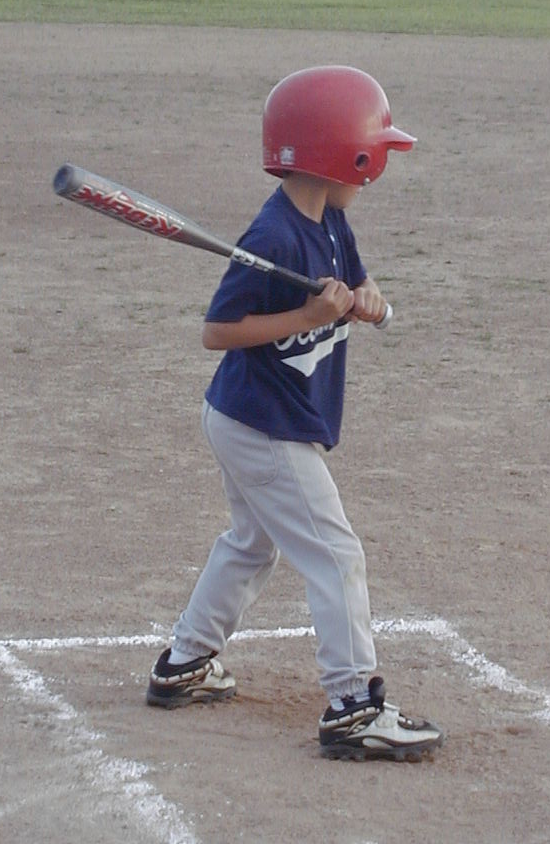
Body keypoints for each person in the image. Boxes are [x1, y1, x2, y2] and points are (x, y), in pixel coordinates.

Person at [146, 65, 444, 761]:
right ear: (343, 154)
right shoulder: (273, 237)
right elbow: (218, 332)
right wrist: (307, 316)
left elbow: (357, 277)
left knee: (252, 543)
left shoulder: (330, 220)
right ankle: (352, 705)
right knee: (336, 553)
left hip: (252, 417)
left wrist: (365, 297)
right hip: (261, 425)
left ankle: (185, 662)